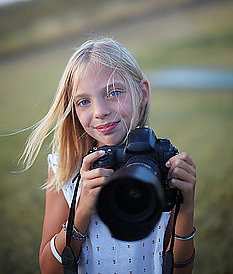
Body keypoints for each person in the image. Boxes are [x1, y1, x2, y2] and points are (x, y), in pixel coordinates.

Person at [22, 38, 196, 274]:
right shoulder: (66, 167)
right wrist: (82, 208)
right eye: (84, 101)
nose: (100, 111)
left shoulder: (163, 167)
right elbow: (49, 269)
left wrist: (185, 209)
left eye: (114, 92)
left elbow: (180, 270)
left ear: (142, 92)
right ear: (73, 109)